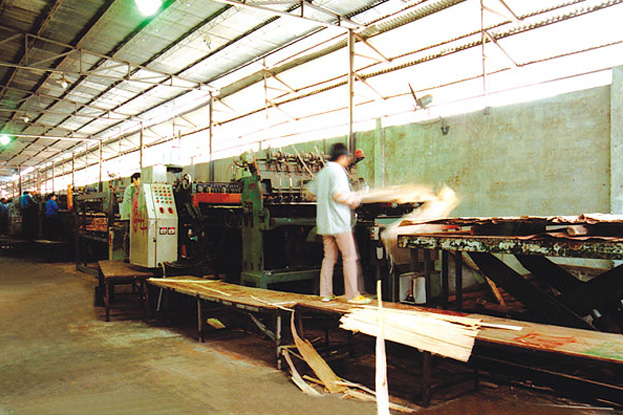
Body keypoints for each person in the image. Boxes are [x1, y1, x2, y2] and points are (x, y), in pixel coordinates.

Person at [306, 143, 370, 305]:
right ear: (341, 157)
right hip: (339, 223)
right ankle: (352, 295)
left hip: (325, 224)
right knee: (349, 257)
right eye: (347, 157)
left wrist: (324, 198)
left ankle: (325, 294)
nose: (348, 161)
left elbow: (309, 193)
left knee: (329, 258)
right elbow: (338, 195)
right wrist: (354, 200)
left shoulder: (323, 172)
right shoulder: (338, 172)